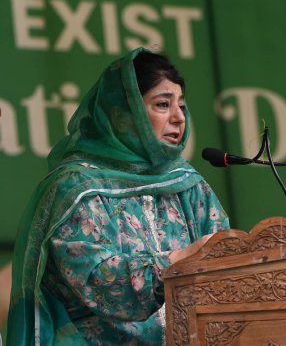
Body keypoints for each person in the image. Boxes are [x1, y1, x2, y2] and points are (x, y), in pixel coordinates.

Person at [7, 47, 229, 345]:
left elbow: (225, 264)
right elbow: (101, 283)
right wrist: (180, 261)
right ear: (123, 115)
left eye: (182, 106)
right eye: (163, 105)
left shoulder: (187, 184)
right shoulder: (77, 187)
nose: (179, 117)